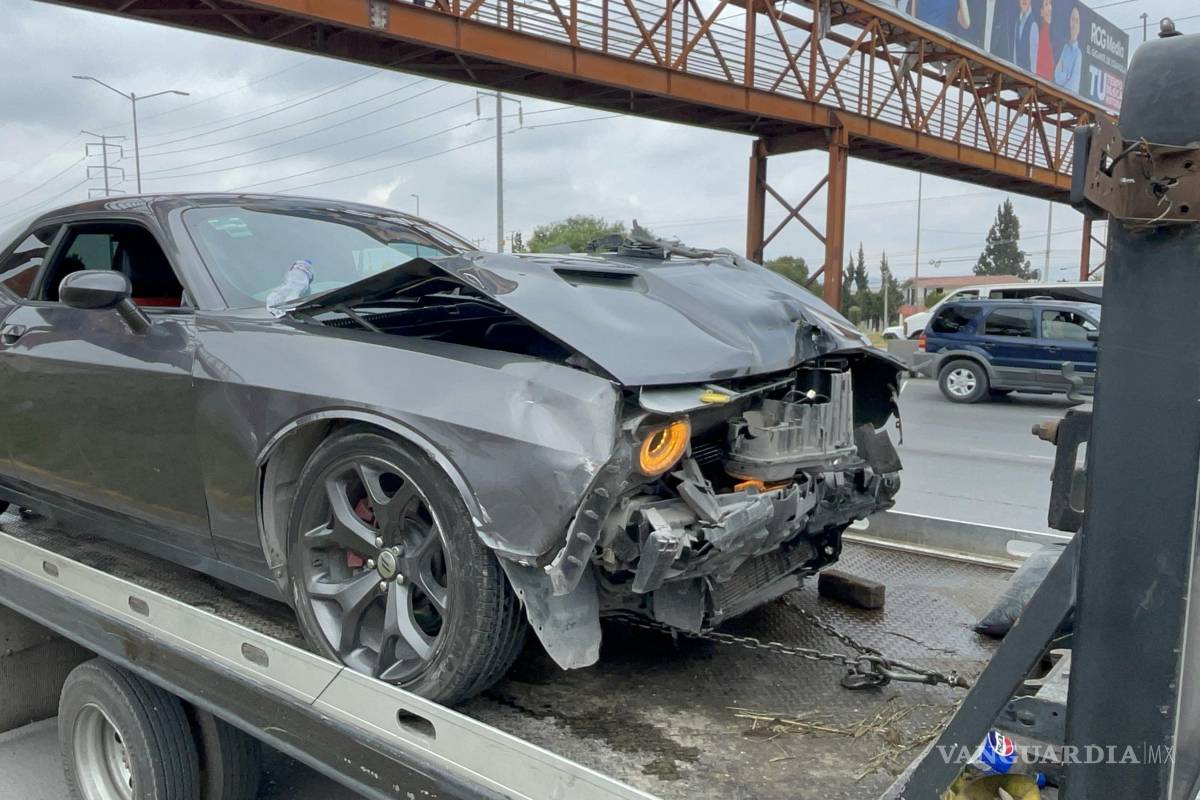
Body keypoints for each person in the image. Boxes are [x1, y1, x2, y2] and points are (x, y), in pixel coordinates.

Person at [1055, 6, 1083, 89]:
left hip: (1068, 99)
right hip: (1059, 95)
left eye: (1077, 21)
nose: (1074, 23)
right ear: (1069, 22)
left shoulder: (1078, 54)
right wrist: (1066, 76)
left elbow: (1073, 85)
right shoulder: (1065, 48)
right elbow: (1057, 76)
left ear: (1079, 27)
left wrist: (1063, 74)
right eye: (1073, 19)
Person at [1013, 0, 1039, 73]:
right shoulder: (1017, 22)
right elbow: (1015, 51)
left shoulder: (1033, 24)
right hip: (1016, 72)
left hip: (1027, 75)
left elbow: (1034, 56)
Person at [1036, 0, 1055, 79]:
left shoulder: (1053, 32)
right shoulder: (1041, 33)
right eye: (1046, 4)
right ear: (1041, 12)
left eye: (1050, 4)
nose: (1049, 8)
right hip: (1041, 77)